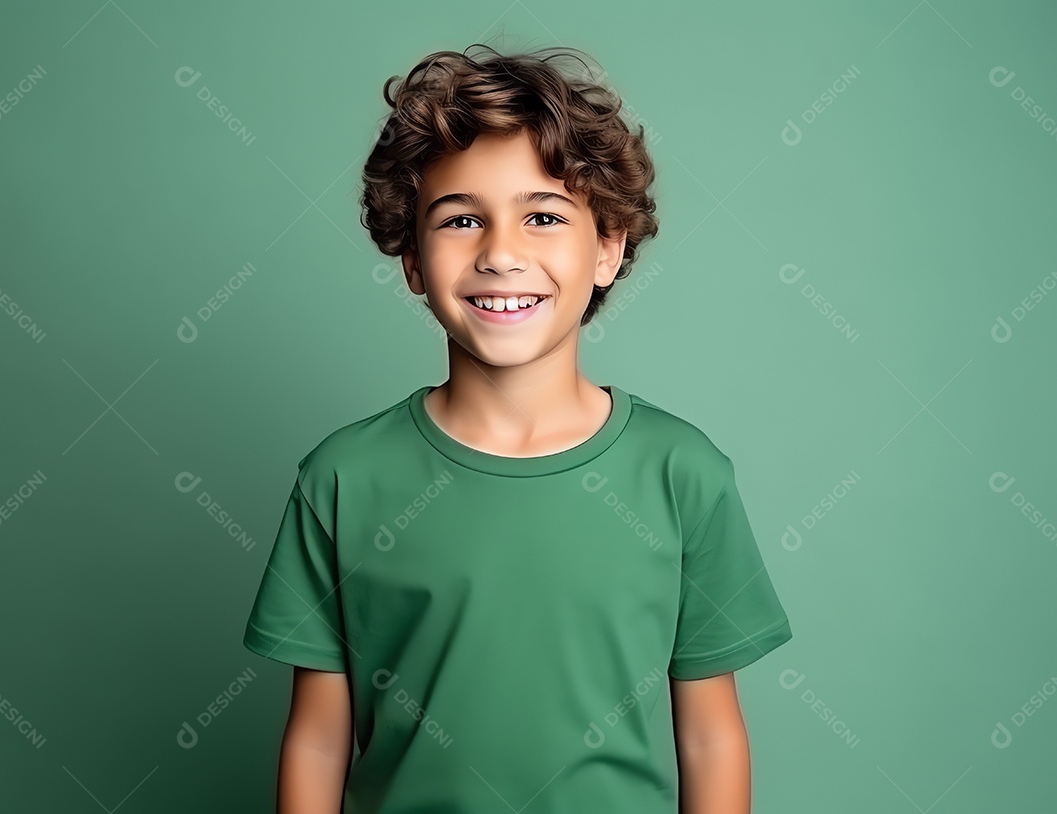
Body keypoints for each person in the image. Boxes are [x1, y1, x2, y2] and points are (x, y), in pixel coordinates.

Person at [242, 42, 793, 814]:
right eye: (462, 219)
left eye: (542, 216)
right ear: (411, 261)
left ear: (607, 248)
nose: (502, 254)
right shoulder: (342, 479)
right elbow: (316, 739)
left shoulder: (682, 473)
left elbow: (710, 736)